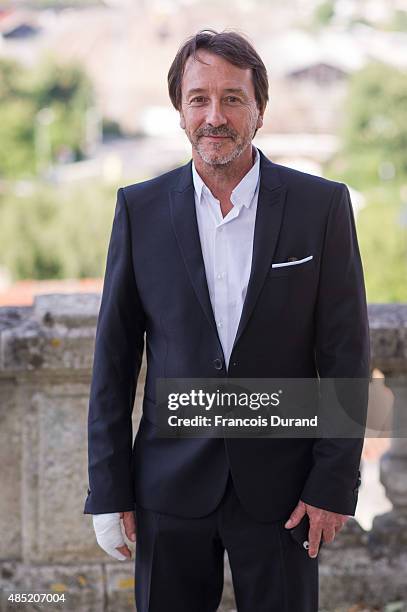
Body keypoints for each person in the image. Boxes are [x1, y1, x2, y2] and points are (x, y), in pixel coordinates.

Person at [84, 29, 370, 612]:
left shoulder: (322, 207)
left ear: (259, 110)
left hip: (286, 496)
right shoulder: (138, 210)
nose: (216, 116)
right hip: (166, 488)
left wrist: (333, 484)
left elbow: (346, 355)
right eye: (199, 99)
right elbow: (113, 362)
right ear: (180, 111)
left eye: (233, 98)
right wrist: (108, 488)